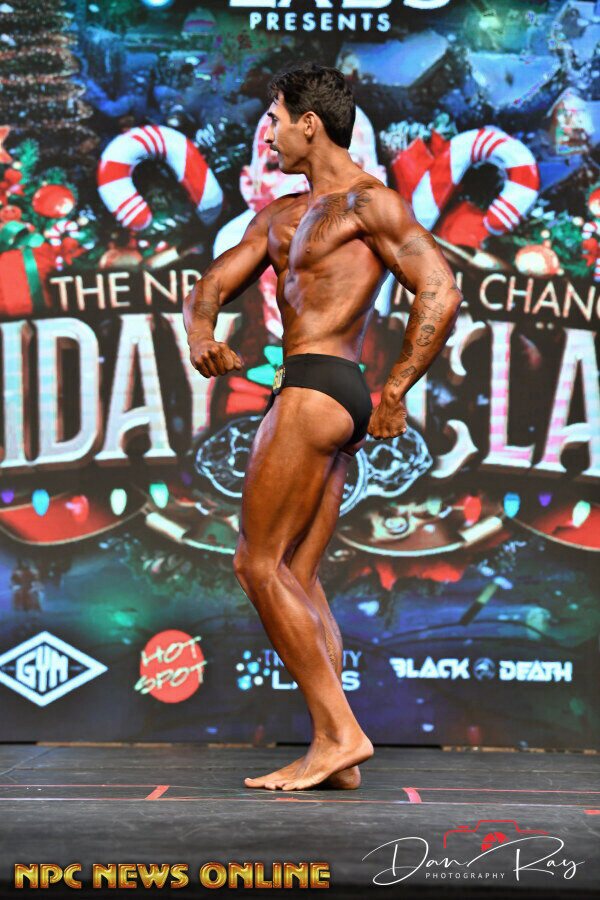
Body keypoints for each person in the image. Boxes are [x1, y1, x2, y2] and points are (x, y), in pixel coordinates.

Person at [183, 63, 462, 792]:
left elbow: (439, 288)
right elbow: (212, 283)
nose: (268, 135)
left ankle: (341, 734)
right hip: (322, 393)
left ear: (310, 123)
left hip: (318, 386)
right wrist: (202, 334)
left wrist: (397, 388)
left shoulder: (370, 203)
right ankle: (332, 750)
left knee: (256, 564)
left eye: (275, 120)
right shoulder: (280, 215)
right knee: (297, 574)